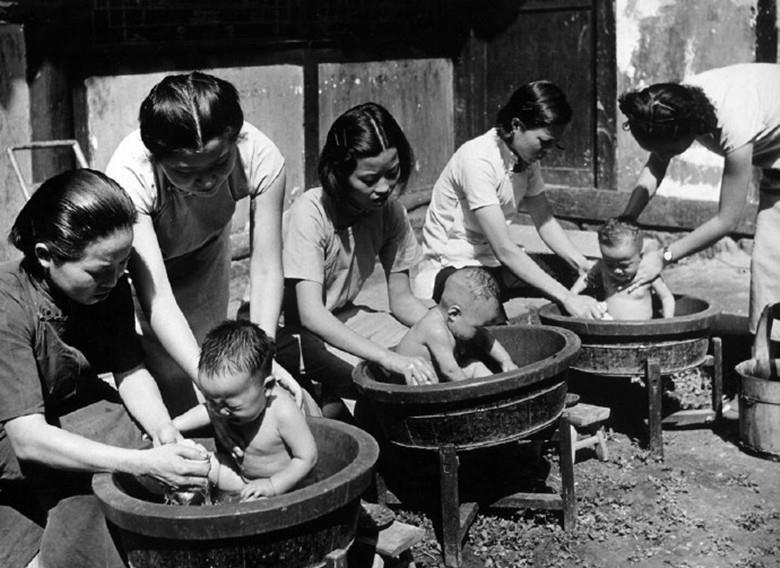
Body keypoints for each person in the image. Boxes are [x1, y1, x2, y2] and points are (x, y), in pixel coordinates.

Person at [0, 169, 211, 568]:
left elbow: (130, 374)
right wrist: (141, 462)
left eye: (123, 265)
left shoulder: (110, 287)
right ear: (45, 256)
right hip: (16, 437)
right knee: (78, 533)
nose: (115, 280)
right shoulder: (7, 304)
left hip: (75, 414)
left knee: (141, 468)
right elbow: (27, 438)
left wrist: (164, 434)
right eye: (99, 271)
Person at [106, 71, 302, 418]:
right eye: (186, 172)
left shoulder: (260, 155)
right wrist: (212, 383)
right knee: (175, 379)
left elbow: (267, 268)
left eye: (219, 163)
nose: (208, 179)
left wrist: (261, 361)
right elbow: (159, 297)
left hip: (208, 254)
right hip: (150, 273)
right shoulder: (129, 175)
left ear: (235, 140)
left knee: (221, 362)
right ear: (157, 157)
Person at [276, 102, 437, 418]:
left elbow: (403, 301)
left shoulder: (390, 211)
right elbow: (310, 315)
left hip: (342, 315)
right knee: (376, 376)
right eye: (369, 179)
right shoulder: (310, 213)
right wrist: (388, 359)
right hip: (285, 329)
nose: (384, 188)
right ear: (338, 173)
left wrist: (444, 326)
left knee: (428, 352)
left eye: (392, 173)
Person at [413, 80, 604, 320]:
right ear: (516, 125)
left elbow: (544, 220)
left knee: (583, 278)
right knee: (486, 313)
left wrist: (580, 264)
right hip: (453, 267)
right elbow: (504, 249)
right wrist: (567, 298)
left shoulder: (526, 157)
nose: (548, 150)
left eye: (554, 144)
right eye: (544, 142)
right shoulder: (478, 159)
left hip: (492, 265)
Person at [618, 63, 780, 336]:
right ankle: (766, 364)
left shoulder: (735, 124)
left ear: (685, 134)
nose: (661, 155)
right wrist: (626, 219)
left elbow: (727, 220)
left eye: (665, 149)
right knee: (768, 271)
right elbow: (656, 165)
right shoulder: (672, 105)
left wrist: (665, 256)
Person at [173, 320, 317, 502]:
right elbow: (206, 411)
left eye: (232, 407)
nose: (220, 411)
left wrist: (272, 486)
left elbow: (307, 458)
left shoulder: (283, 411)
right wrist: (173, 425)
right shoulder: (225, 403)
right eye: (212, 400)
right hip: (242, 479)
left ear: (267, 387)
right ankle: (189, 492)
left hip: (288, 488)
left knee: (261, 502)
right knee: (201, 463)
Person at [395, 266, 519, 381]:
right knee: (425, 381)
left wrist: (506, 360)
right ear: (454, 314)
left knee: (477, 366)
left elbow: (487, 339)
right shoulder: (435, 330)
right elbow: (450, 371)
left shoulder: (461, 321)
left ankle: (494, 391)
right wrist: (470, 390)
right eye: (478, 327)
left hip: (436, 374)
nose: (481, 331)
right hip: (412, 377)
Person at [570, 218, 676, 320]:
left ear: (639, 256)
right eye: (610, 264)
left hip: (642, 330)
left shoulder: (646, 273)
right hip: (610, 328)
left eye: (624, 265)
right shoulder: (602, 268)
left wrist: (667, 320)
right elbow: (586, 279)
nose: (617, 270)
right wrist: (572, 295)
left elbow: (667, 298)